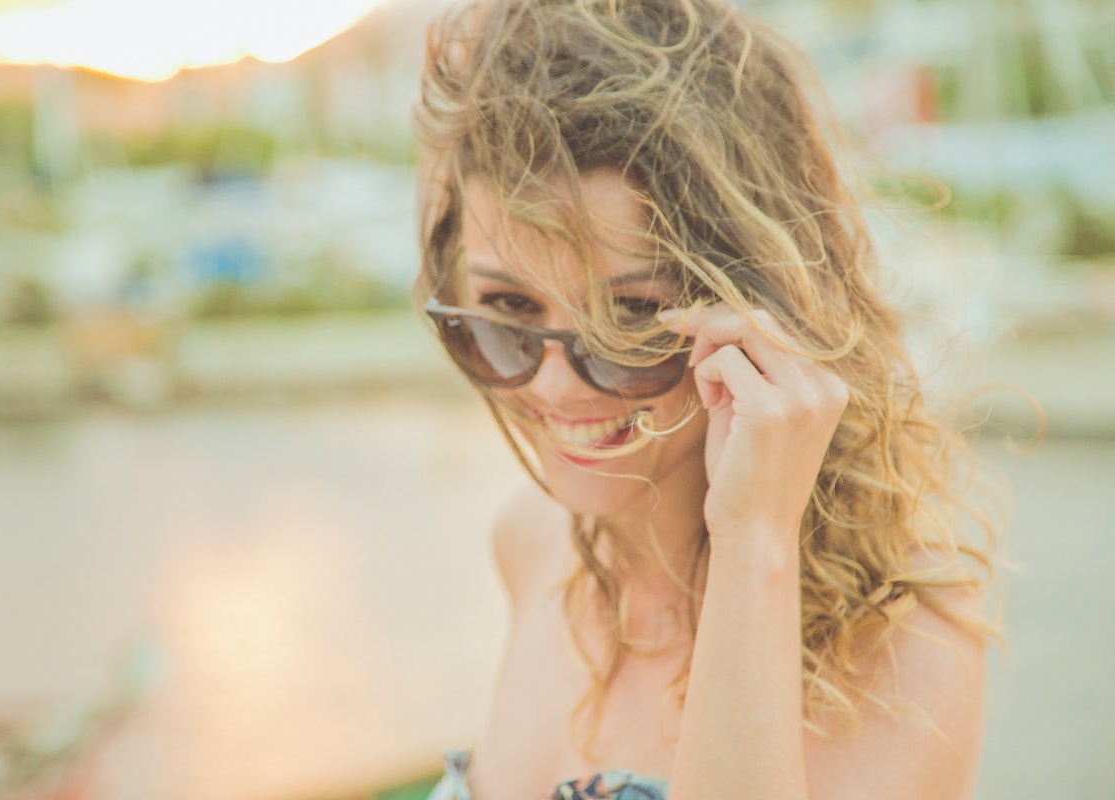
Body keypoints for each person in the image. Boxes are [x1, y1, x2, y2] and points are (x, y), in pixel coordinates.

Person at [411, 1, 1001, 798]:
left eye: (631, 319)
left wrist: (753, 542)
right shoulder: (531, 543)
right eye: (507, 311)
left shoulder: (906, 641)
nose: (551, 385)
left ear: (768, 310)